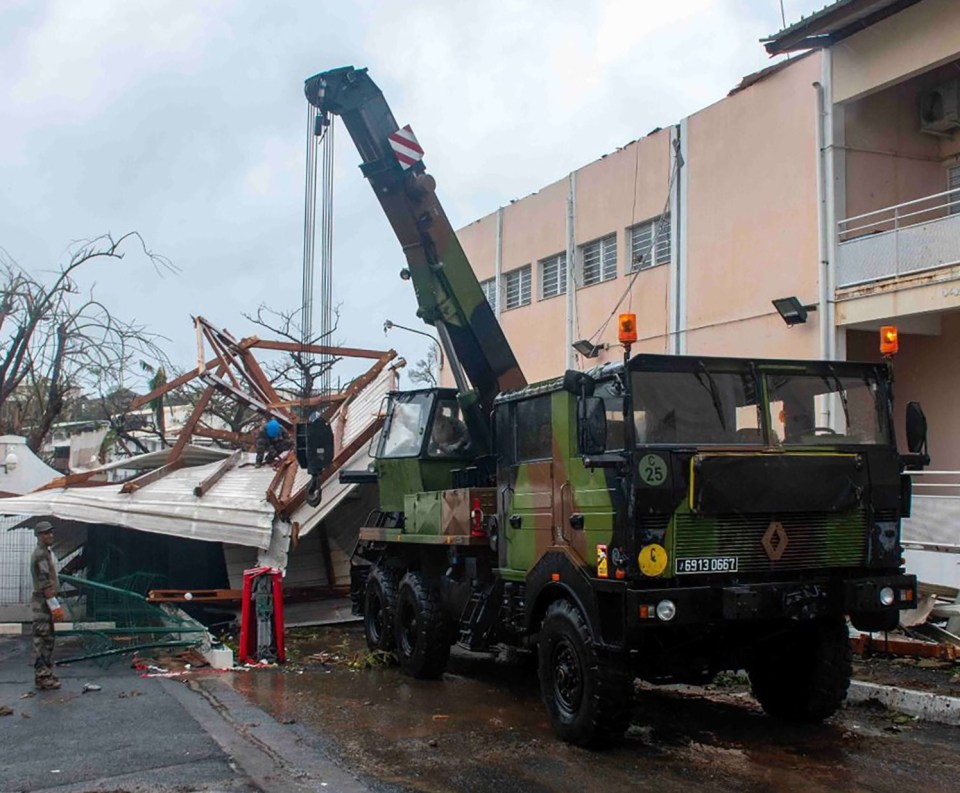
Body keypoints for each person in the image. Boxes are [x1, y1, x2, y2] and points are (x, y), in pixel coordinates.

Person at [30, 520, 64, 691]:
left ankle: (47, 673)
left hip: (44, 601)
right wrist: (54, 606)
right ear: (39, 535)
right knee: (42, 639)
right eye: (45, 533)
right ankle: (42, 676)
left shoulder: (45, 552)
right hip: (42, 602)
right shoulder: (40, 555)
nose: (50, 535)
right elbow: (45, 583)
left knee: (48, 639)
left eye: (51, 532)